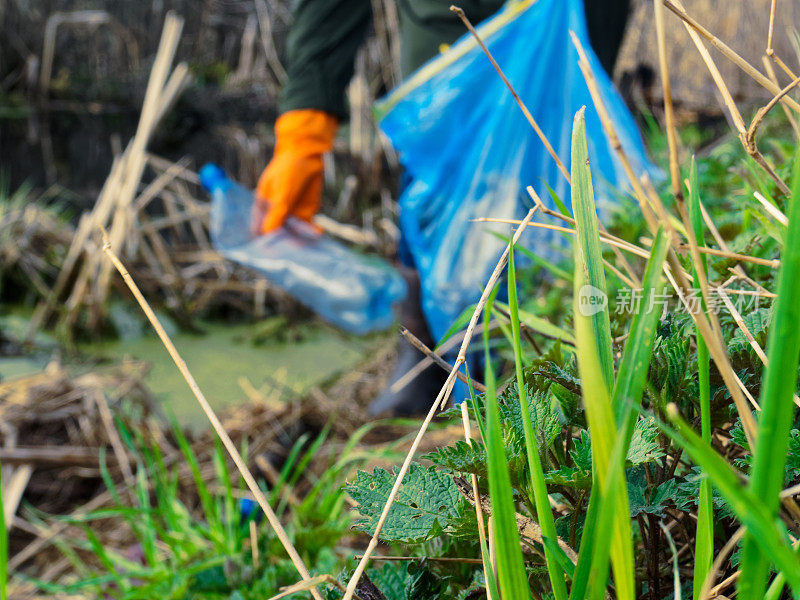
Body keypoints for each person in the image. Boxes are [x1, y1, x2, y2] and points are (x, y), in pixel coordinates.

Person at [251, 0, 631, 416]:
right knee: (439, 164)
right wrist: (305, 128)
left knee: (561, 165)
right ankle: (429, 352)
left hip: (571, 23)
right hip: (452, 28)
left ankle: (558, 356)